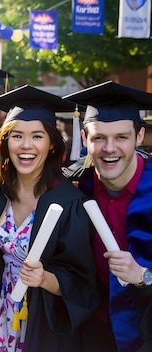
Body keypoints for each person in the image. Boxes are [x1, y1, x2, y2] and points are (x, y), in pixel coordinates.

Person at [0, 85, 98, 351]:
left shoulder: (68, 201)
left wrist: (44, 278)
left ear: (52, 143)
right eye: (17, 136)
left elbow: (81, 280)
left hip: (42, 321)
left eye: (37, 136)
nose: (26, 145)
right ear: (5, 141)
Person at [65, 81, 152, 352]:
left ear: (139, 137)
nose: (109, 148)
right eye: (99, 137)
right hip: (90, 331)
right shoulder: (74, 188)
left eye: (121, 137)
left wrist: (143, 276)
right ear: (85, 137)